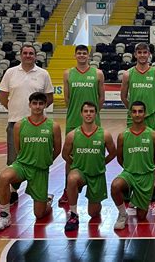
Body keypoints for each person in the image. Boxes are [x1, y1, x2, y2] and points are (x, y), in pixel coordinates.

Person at [0, 92, 61, 231]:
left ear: (45, 105)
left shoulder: (53, 126)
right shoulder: (19, 125)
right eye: (34, 103)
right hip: (22, 165)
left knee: (39, 214)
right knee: (4, 177)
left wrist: (45, 161)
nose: (37, 106)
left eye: (41, 103)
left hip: (40, 170)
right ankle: (5, 216)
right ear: (29, 105)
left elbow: (57, 149)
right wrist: (26, 159)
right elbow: (18, 149)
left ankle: (47, 201)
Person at [0, 44, 54, 205]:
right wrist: (13, 109)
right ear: (20, 55)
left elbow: (49, 97)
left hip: (38, 124)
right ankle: (13, 191)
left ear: (36, 56)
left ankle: (39, 190)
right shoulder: (10, 72)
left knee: (39, 158)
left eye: (31, 53)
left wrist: (37, 111)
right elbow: (3, 96)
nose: (28, 55)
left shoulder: (43, 74)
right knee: (14, 158)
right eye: (25, 53)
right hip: (15, 122)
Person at [59, 44, 105, 205]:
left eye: (84, 53)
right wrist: (77, 113)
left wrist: (91, 114)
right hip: (73, 120)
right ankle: (68, 188)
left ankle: (95, 187)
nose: (81, 55)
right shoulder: (68, 74)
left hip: (93, 122)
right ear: (75, 55)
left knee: (94, 154)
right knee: (70, 157)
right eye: (79, 53)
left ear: (88, 56)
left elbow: (101, 98)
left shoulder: (98, 73)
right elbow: (67, 99)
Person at [120, 42, 155, 201]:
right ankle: (129, 185)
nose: (142, 55)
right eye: (139, 52)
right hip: (133, 118)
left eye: (144, 52)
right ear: (135, 54)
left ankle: (150, 186)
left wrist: (151, 109)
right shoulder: (128, 74)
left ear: (149, 54)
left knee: (150, 153)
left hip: (150, 118)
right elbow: (123, 96)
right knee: (130, 152)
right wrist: (134, 112)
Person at [62, 102, 116, 232]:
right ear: (81, 113)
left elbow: (113, 153)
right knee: (72, 178)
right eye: (86, 111)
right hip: (80, 172)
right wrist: (75, 166)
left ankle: (95, 202)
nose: (88, 114)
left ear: (96, 114)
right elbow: (65, 155)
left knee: (93, 213)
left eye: (91, 111)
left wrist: (101, 163)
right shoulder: (72, 135)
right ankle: (74, 214)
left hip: (96, 175)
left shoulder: (105, 135)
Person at [111, 101, 155, 229]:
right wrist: (130, 168)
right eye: (134, 111)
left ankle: (136, 197)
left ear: (145, 114)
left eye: (140, 111)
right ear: (130, 114)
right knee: (115, 185)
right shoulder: (123, 136)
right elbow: (120, 158)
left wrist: (146, 168)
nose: (137, 114)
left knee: (141, 216)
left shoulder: (153, 135)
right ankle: (123, 214)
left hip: (146, 177)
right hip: (129, 174)